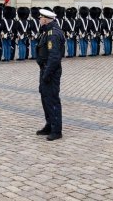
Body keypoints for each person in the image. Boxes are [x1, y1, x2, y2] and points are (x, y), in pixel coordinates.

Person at [35, 8, 65, 141]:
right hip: (45, 69)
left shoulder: (52, 34)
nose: (40, 20)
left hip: (50, 71)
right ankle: (49, 124)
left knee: (52, 99)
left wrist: (46, 74)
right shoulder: (47, 31)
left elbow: (54, 57)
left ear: (46, 20)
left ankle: (56, 129)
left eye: (41, 18)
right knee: (45, 98)